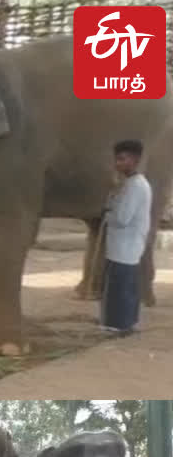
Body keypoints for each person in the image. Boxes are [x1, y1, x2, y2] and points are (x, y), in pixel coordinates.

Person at [100, 139, 152, 336]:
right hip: (125, 245)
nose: (118, 163)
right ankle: (127, 322)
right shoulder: (131, 183)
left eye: (123, 159)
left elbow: (122, 218)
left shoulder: (135, 186)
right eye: (117, 159)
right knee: (127, 285)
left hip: (124, 244)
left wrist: (106, 214)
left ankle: (118, 325)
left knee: (119, 287)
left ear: (135, 160)